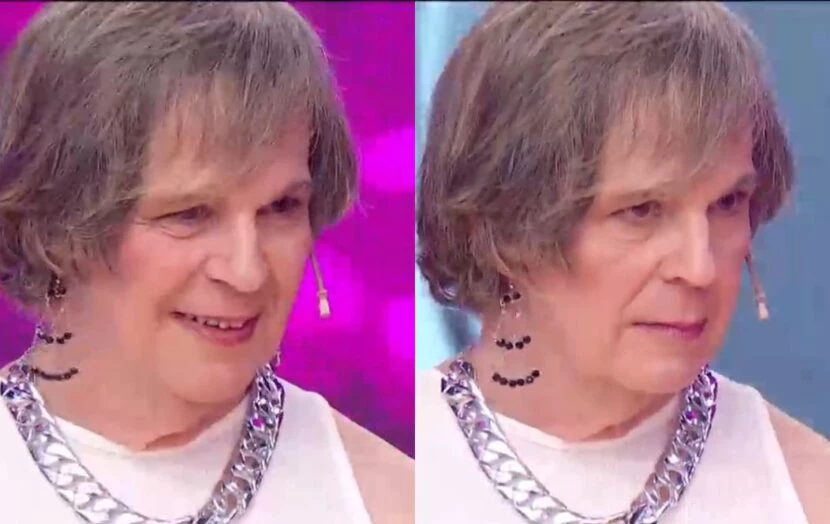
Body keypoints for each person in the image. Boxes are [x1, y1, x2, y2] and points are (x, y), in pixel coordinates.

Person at [416, 2, 830, 523]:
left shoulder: (810, 491)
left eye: (727, 203)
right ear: (506, 225)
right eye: (641, 211)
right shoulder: (392, 483)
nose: (699, 267)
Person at [0, 3, 412, 523]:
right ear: (60, 223)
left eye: (281, 207)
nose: (247, 272)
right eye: (189, 214)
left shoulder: (393, 500)